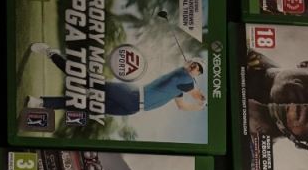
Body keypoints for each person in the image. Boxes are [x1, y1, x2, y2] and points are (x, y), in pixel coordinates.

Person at [25, 44, 206, 116]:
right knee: (86, 80)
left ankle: (41, 103)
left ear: (198, 73)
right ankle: (52, 54)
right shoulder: (183, 77)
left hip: (132, 108)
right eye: (195, 64)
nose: (195, 68)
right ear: (189, 63)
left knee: (85, 106)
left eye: (198, 69)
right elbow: (196, 94)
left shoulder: (181, 88)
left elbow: (182, 106)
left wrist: (198, 107)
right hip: (131, 94)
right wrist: (203, 101)